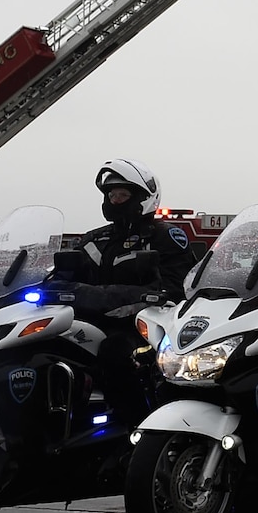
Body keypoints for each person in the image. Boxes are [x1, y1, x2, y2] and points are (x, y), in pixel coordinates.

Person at [70, 159, 195, 419]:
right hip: (92, 322)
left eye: (123, 194)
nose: (116, 200)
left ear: (143, 197)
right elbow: (62, 275)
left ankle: (135, 426)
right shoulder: (95, 239)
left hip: (143, 328)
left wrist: (118, 296)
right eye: (111, 195)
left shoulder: (164, 237)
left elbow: (175, 286)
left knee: (115, 353)